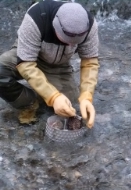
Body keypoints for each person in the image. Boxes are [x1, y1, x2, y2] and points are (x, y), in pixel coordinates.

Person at [0, 0, 100, 128]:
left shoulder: (89, 24)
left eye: (75, 42)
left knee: (69, 109)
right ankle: (29, 103)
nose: (70, 44)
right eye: (67, 39)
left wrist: (86, 96)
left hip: (58, 66)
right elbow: (25, 63)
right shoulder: (36, 17)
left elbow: (90, 62)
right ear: (55, 25)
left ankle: (43, 93)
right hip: (27, 56)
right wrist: (53, 97)